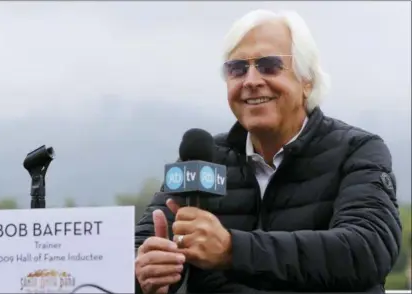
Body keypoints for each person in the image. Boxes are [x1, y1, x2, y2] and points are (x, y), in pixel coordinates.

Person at [134, 9, 402, 294]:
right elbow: (133, 256)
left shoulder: (357, 150)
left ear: (307, 80)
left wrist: (232, 250)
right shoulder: (205, 157)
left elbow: (367, 250)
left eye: (269, 65)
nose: (250, 80)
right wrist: (148, 270)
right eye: (237, 68)